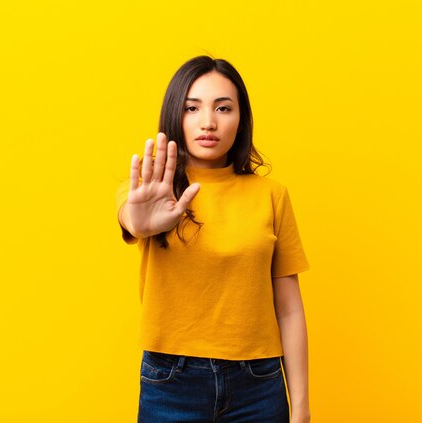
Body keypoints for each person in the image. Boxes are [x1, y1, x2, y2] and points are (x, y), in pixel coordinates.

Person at [116, 56, 311, 423]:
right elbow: (132, 217)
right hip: (171, 381)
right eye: (193, 108)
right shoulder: (148, 189)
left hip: (259, 382)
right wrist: (139, 221)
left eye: (223, 108)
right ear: (176, 115)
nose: (209, 122)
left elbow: (289, 309)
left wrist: (300, 407)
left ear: (242, 119)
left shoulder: (272, 195)